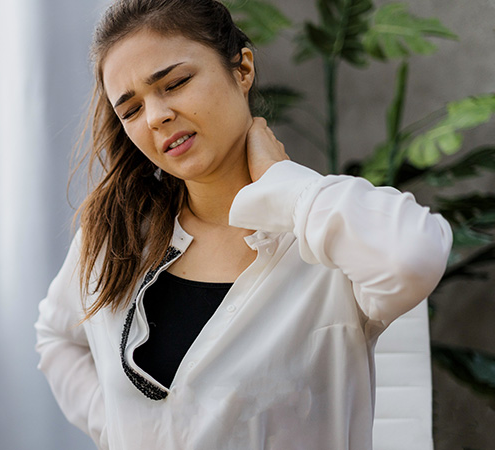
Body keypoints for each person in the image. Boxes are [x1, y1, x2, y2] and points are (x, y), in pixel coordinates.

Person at [34, 0, 452, 448]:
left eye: (175, 83)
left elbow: (414, 257)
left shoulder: (322, 238)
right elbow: (57, 338)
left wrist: (282, 184)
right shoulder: (115, 240)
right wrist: (120, 426)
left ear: (242, 68)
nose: (156, 116)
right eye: (131, 110)